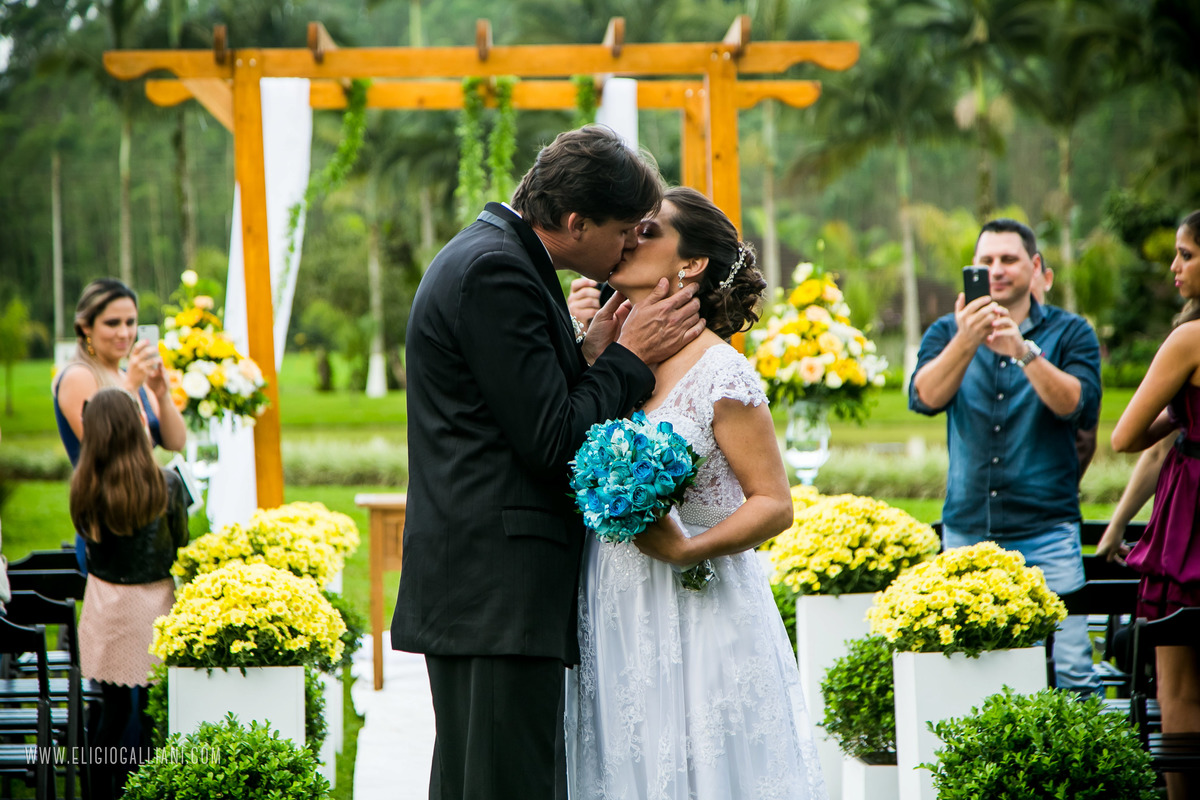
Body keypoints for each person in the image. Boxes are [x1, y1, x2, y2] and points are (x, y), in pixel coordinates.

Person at [391, 125, 705, 800]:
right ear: (575, 222)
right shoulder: (495, 270)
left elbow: (519, 403)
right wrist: (629, 358)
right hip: (495, 592)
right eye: (623, 231)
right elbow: (553, 439)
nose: (628, 247)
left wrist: (587, 355)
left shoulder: (497, 255)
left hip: (488, 594)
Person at [564, 186, 827, 798]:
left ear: (692, 264)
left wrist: (688, 550)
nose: (630, 238)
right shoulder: (607, 356)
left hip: (696, 604)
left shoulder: (720, 371)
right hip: (612, 600)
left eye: (649, 230)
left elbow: (774, 503)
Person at [910, 218, 1103, 695]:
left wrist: (1023, 351)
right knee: (968, 671)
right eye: (987, 260)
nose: (996, 269)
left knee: (1073, 673)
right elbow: (924, 397)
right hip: (968, 530)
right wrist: (966, 340)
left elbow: (1077, 406)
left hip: (1047, 530)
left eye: (1008, 259)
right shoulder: (946, 331)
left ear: (1034, 266)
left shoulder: (1071, 332)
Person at [1099, 210, 1200, 800]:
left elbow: (1126, 437)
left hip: (1192, 518)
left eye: (1186, 254)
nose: (1173, 267)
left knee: (1180, 685)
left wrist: (1181, 413)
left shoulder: (1189, 339)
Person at [69, 387, 189, 799]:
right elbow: (180, 544)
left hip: (108, 605)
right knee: (154, 712)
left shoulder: (85, 487)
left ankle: (99, 790)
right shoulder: (167, 483)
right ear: (138, 426)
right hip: (155, 605)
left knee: (112, 711)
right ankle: (154, 789)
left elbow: (89, 546)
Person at [53, 279, 187, 571]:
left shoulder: (129, 373)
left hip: (148, 518)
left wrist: (162, 395)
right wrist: (131, 387)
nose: (124, 333)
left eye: (130, 322)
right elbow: (107, 447)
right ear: (86, 327)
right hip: (107, 524)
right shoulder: (79, 376)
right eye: (112, 323)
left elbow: (176, 442)